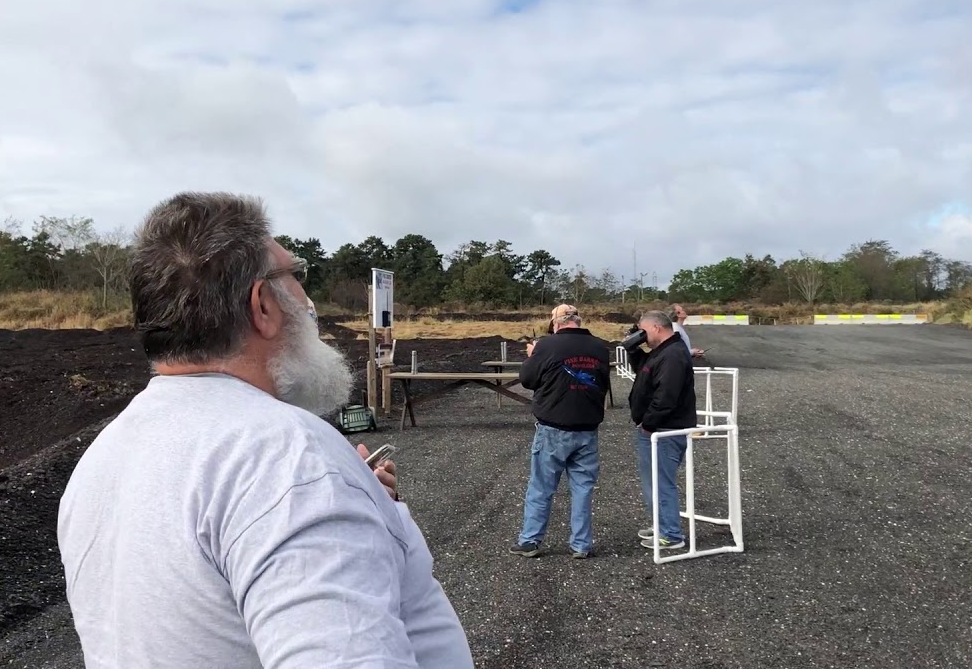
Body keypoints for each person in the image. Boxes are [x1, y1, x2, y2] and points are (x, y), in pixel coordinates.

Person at [57, 192, 473, 668]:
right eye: (295, 275)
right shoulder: (290, 458)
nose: (305, 295)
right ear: (262, 306)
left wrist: (358, 503)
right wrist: (321, 487)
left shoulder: (105, 454)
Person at [509, 304, 613, 559]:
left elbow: (527, 379)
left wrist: (533, 355)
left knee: (541, 487)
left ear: (556, 323)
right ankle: (581, 545)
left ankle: (530, 541)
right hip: (588, 428)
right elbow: (603, 383)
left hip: (553, 428)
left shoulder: (547, 345)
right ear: (578, 320)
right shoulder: (600, 347)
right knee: (582, 489)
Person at [625, 310, 698, 550]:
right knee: (653, 482)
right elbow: (644, 373)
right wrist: (633, 348)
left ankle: (671, 535)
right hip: (658, 429)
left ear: (656, 328)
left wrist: (648, 423)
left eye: (643, 331)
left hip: (665, 430)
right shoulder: (663, 352)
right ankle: (662, 525)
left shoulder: (674, 355)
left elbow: (666, 396)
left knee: (661, 483)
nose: (642, 335)